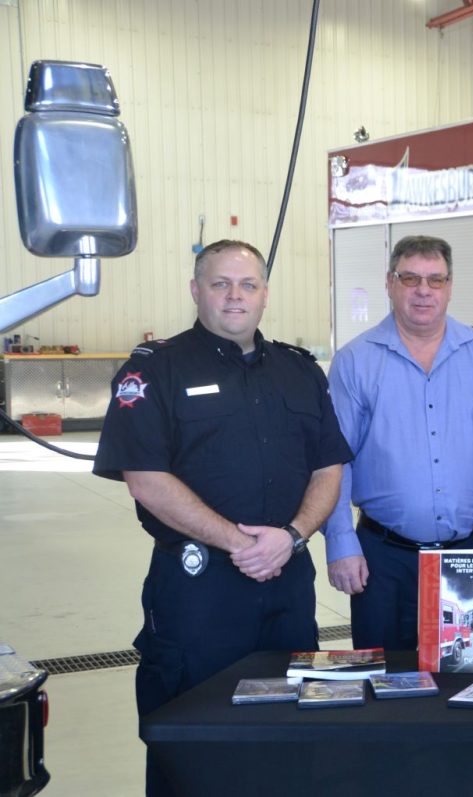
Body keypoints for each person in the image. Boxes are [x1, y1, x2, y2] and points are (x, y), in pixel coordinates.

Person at [93, 240, 351, 794]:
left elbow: (328, 467)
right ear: (195, 290)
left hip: (287, 585)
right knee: (190, 736)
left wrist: (291, 535)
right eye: (220, 283)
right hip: (198, 590)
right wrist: (239, 543)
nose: (236, 297)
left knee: (289, 730)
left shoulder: (299, 371)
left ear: (264, 294)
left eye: (248, 284)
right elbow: (145, 478)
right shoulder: (156, 370)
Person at [324, 235, 473, 652]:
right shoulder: (355, 361)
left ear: (450, 286)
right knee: (384, 685)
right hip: (383, 559)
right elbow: (334, 461)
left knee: (471, 683)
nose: (423, 290)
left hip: (469, 556)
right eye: (411, 278)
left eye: (435, 280)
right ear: (390, 282)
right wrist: (340, 541)